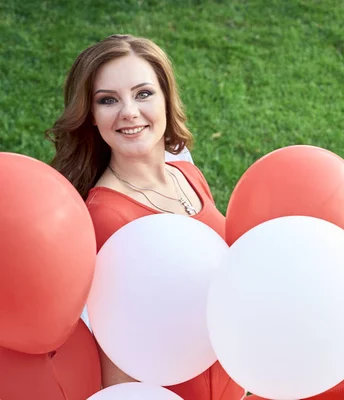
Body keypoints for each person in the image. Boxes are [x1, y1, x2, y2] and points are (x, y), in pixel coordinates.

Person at [46, 34, 242, 399]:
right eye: (108, 100)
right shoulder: (107, 219)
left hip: (236, 377)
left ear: (167, 98)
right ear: (90, 116)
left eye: (143, 93)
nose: (129, 112)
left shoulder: (188, 177)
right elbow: (118, 361)